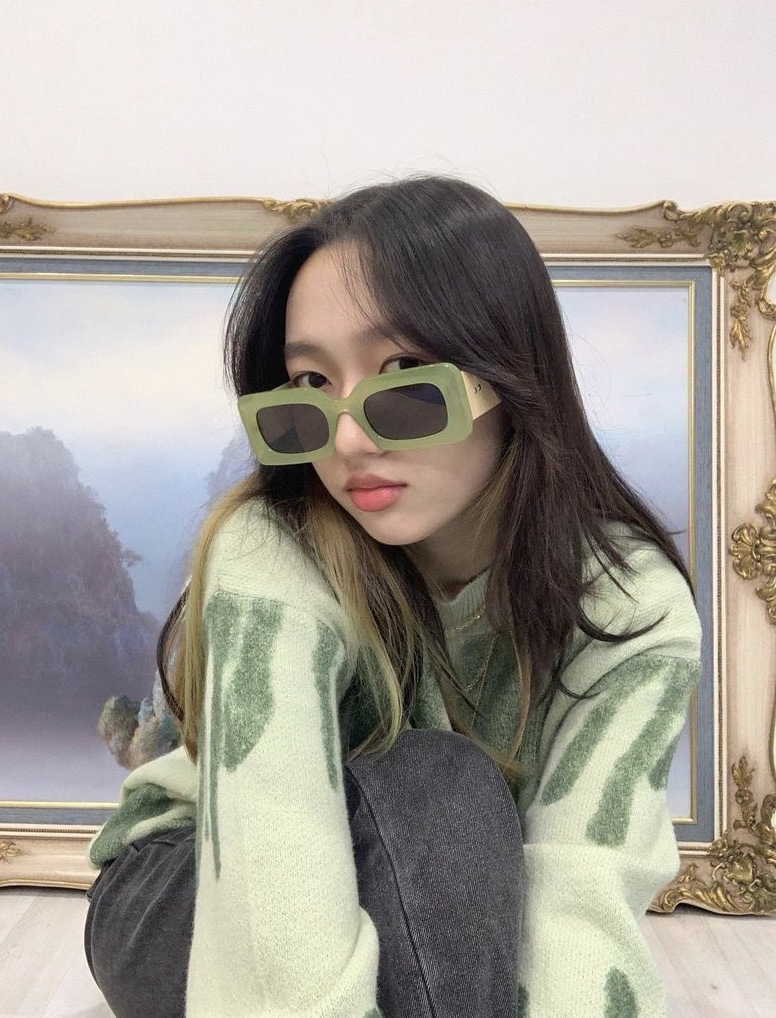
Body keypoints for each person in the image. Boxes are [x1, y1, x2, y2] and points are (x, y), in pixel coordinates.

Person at [83, 175, 701, 1018]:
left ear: (507, 374)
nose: (347, 440)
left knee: (448, 806)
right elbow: (270, 840)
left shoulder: (630, 607)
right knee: (444, 787)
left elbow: (582, 894)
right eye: (309, 385)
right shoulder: (274, 547)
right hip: (192, 877)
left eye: (404, 372)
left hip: (446, 887)